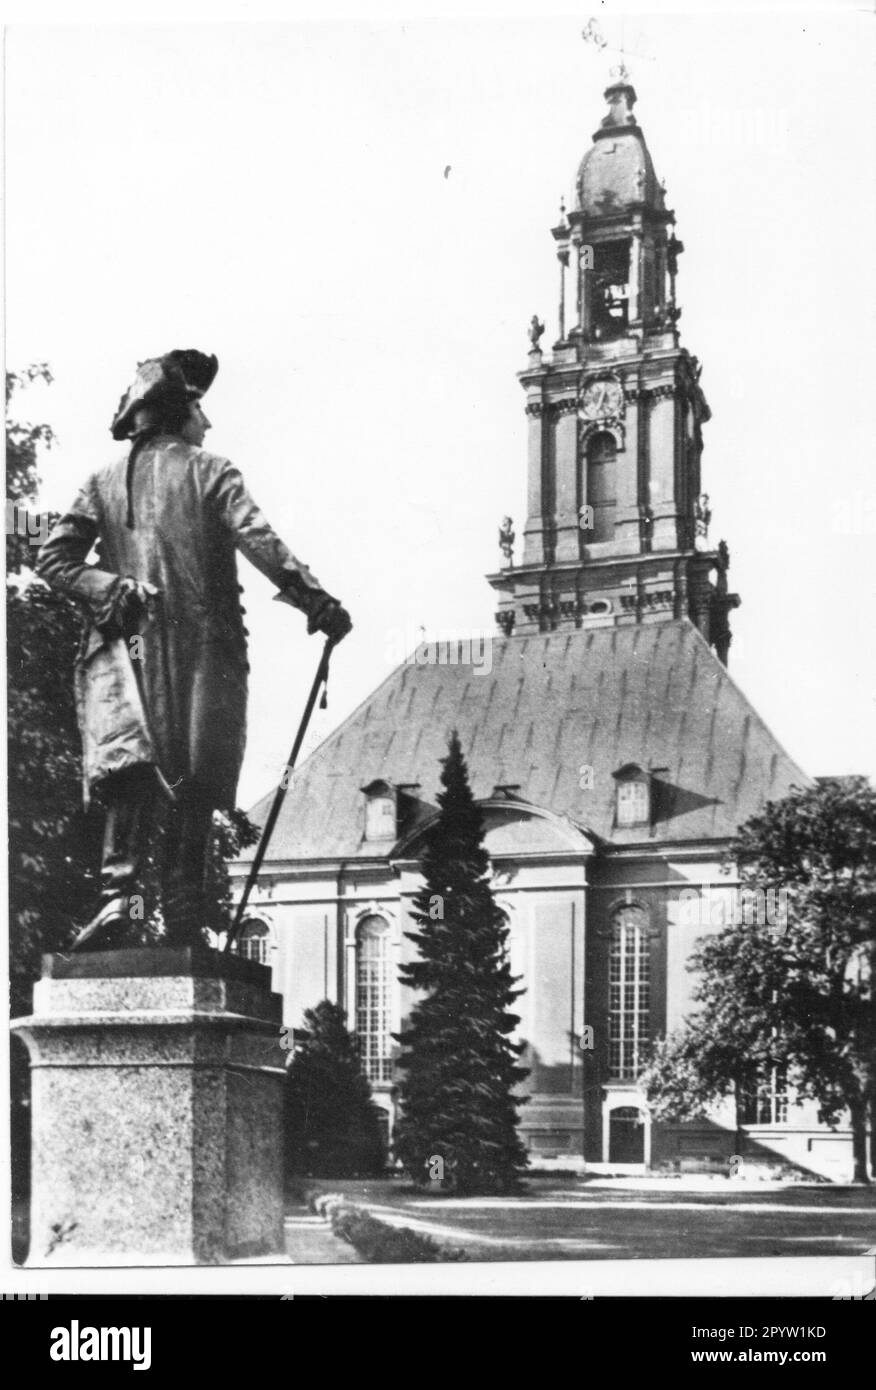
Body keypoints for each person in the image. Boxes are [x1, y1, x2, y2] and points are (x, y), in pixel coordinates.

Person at [35, 348, 352, 950]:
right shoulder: (211, 470)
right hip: (207, 653)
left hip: (128, 653)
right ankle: (180, 920)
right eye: (200, 407)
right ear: (180, 411)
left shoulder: (100, 482)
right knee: (193, 785)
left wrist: (109, 588)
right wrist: (318, 602)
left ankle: (119, 905)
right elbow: (260, 539)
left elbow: (54, 559)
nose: (207, 422)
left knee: (134, 773)